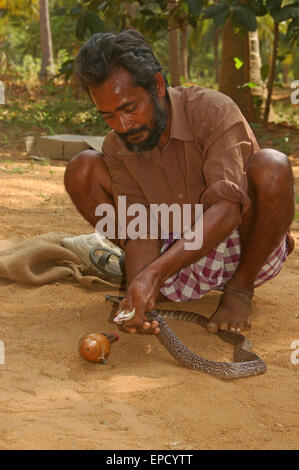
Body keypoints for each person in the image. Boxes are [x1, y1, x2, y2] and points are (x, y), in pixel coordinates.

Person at [64, 30, 295, 336]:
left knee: (272, 166)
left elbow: (227, 209)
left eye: (129, 109)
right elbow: (140, 228)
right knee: (81, 168)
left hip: (241, 242)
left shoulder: (212, 111)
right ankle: (151, 289)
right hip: (177, 250)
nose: (122, 125)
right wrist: (140, 286)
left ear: (157, 86)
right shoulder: (118, 146)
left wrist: (155, 274)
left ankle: (239, 290)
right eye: (108, 116)